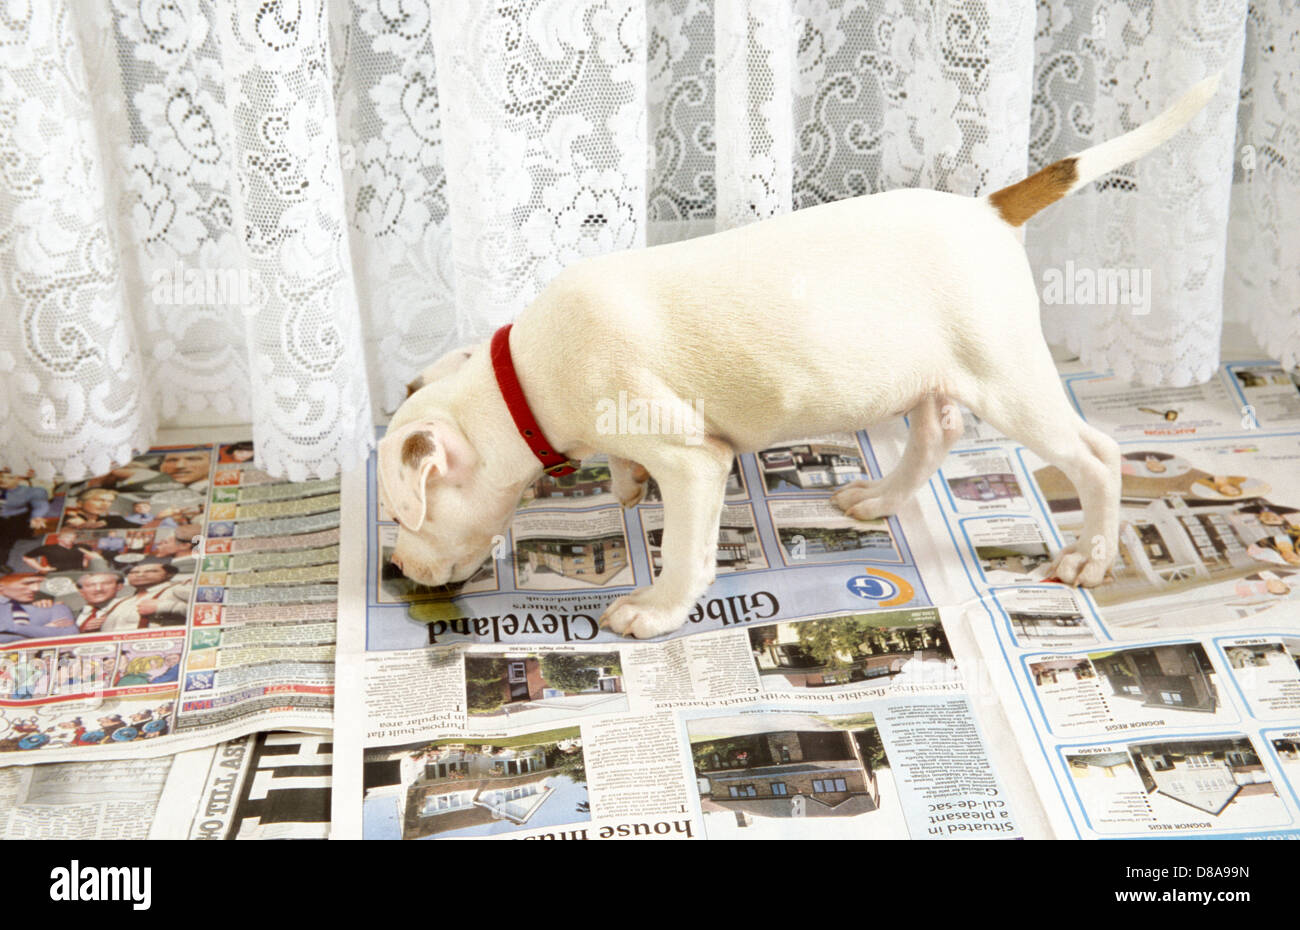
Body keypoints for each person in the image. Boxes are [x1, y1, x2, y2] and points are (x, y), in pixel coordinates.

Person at [0, 574, 77, 643]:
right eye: (26, 583)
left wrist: (11, 627)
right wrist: (42, 631)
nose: (36, 588)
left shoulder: (53, 607)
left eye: (39, 583)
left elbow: (69, 636)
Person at [0, 471, 51, 567]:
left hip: (17, 519)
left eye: (10, 477)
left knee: (6, 540)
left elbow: (40, 505)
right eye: (1, 476)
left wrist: (37, 516)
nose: (3, 480)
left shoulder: (29, 491)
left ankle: (1, 563)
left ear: (19, 479)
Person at [21, 530, 98, 574]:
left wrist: (86, 561)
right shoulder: (48, 548)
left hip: (80, 573)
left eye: (73, 538)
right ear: (59, 538)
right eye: (67, 537)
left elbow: (94, 555)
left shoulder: (83, 547)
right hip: (57, 574)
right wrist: (41, 568)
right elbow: (26, 557)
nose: (71, 540)